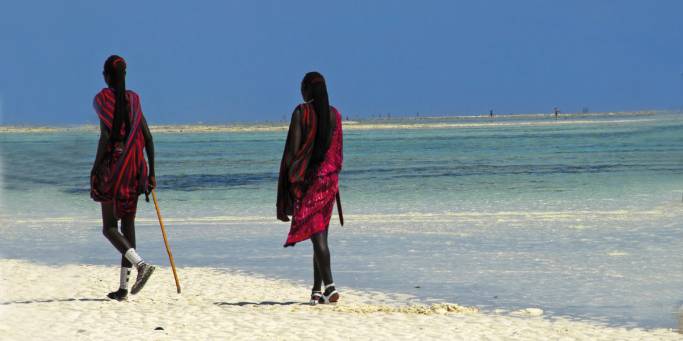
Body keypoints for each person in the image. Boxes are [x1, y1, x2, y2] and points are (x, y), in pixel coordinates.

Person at [91, 55, 156, 301]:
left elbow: (106, 137)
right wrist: (151, 173)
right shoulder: (134, 101)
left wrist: (95, 168)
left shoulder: (103, 99)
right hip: (134, 167)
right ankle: (123, 289)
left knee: (109, 227)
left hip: (113, 166)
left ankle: (141, 266)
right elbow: (148, 138)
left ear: (107, 75)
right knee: (127, 226)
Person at [277, 72, 344, 305]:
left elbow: (291, 153)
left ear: (307, 90)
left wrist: (287, 185)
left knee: (319, 238)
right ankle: (317, 290)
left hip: (310, 182)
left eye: (301, 88)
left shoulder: (301, 112)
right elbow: (337, 155)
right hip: (329, 182)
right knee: (320, 234)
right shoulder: (335, 115)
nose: (300, 93)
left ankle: (330, 286)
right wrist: (330, 178)